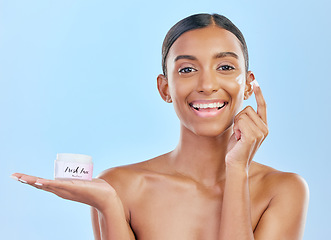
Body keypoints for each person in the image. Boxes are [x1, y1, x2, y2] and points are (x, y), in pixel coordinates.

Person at [11, 13, 309, 240]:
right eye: (188, 69)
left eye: (226, 67)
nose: (207, 85)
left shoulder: (283, 191)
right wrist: (110, 207)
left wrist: (236, 170)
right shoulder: (120, 187)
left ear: (247, 85)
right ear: (165, 88)